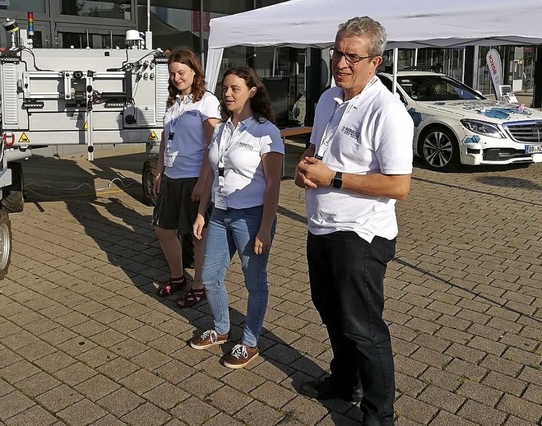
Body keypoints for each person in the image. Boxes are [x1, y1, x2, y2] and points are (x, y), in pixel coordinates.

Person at [295, 17, 413, 426]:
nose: (341, 62)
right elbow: (317, 146)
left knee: (363, 327)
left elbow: (399, 186)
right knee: (329, 310)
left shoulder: (389, 112)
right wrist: (306, 166)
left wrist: (335, 178)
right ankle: (346, 382)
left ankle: (380, 414)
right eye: (336, 52)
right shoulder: (328, 98)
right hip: (321, 225)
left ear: (375, 61)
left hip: (361, 233)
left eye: (352, 56)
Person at [189, 67, 284, 369]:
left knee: (254, 282)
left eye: (235, 89)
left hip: (252, 216)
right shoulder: (222, 129)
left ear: (252, 91)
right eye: (225, 89)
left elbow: (273, 183)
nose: (227, 94)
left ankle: (251, 342)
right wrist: (202, 212)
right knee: (209, 276)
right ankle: (221, 328)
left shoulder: (266, 131)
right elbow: (213, 175)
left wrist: (265, 228)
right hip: (220, 213)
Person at [153, 47, 221, 308]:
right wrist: (160, 171)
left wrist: (204, 181)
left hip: (194, 175)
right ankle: (178, 275)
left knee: (197, 234)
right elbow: (163, 140)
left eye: (181, 72)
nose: (176, 78)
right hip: (172, 175)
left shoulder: (206, 102)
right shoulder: (174, 102)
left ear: (194, 70)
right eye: (172, 73)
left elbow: (212, 144)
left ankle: (199, 285)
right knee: (163, 229)